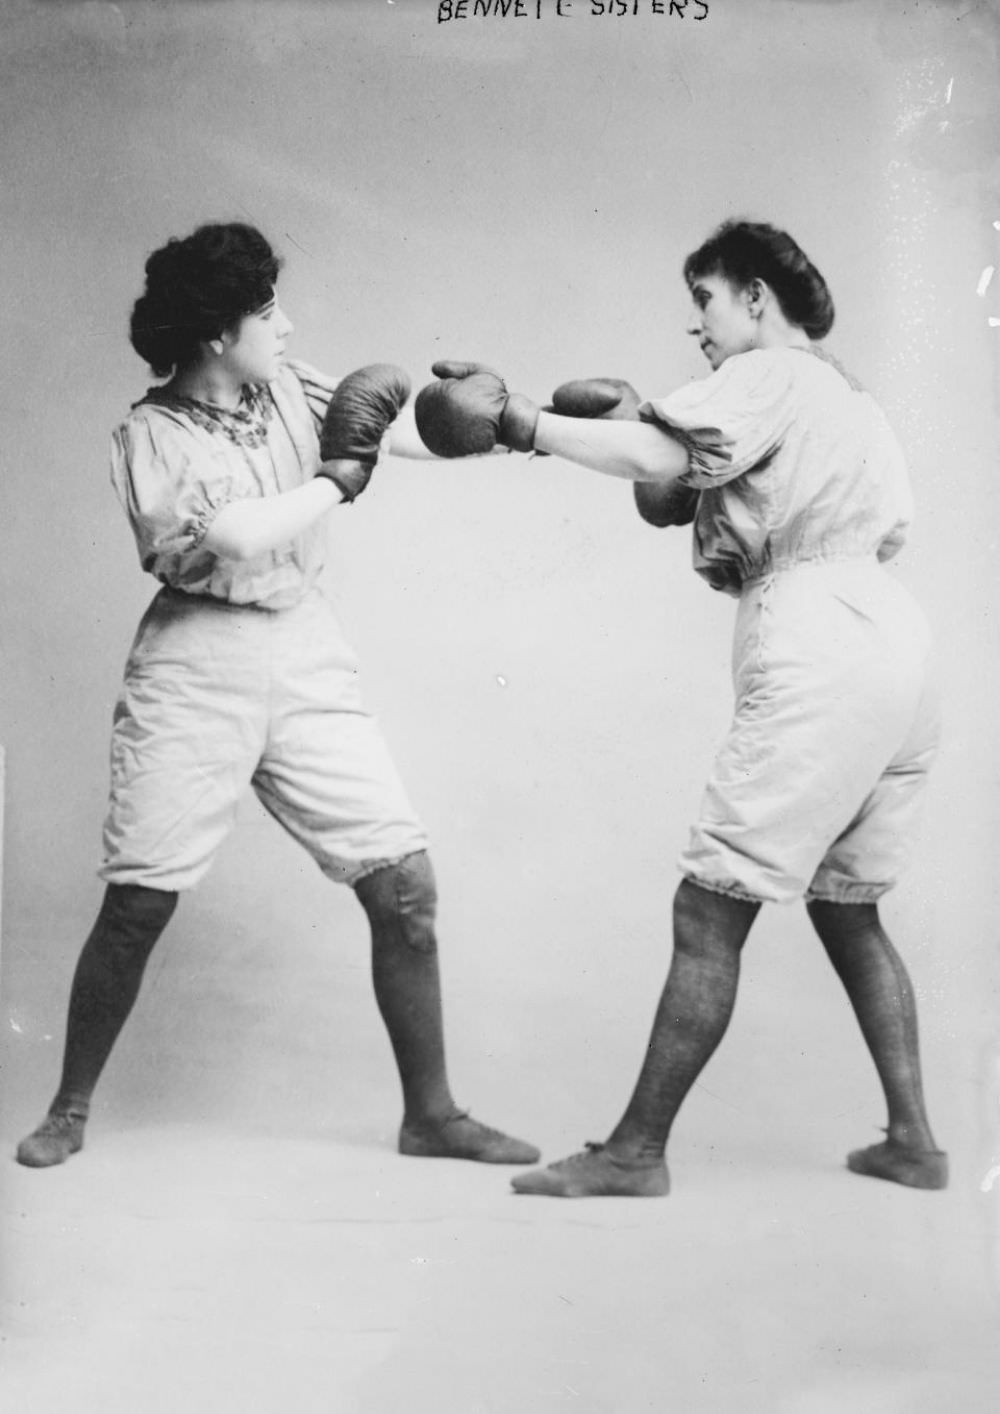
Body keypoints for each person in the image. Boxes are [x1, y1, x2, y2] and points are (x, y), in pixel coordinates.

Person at [414, 219, 947, 1198]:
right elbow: (673, 493)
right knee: (848, 908)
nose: (695, 324)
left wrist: (521, 421)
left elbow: (656, 461)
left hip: (817, 634)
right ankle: (912, 1139)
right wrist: (625, 415)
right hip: (897, 648)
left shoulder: (768, 370)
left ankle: (634, 1150)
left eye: (703, 299)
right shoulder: (849, 397)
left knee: (709, 911)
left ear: (753, 297)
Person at [16, 221, 539, 1171]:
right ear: (218, 333)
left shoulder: (287, 390)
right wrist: (340, 481)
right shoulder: (150, 435)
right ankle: (69, 1106)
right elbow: (242, 535)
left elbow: (398, 433)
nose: (288, 324)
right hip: (193, 665)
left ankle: (432, 1115)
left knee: (406, 888)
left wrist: (499, 419)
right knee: (139, 901)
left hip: (303, 645)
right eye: (268, 311)